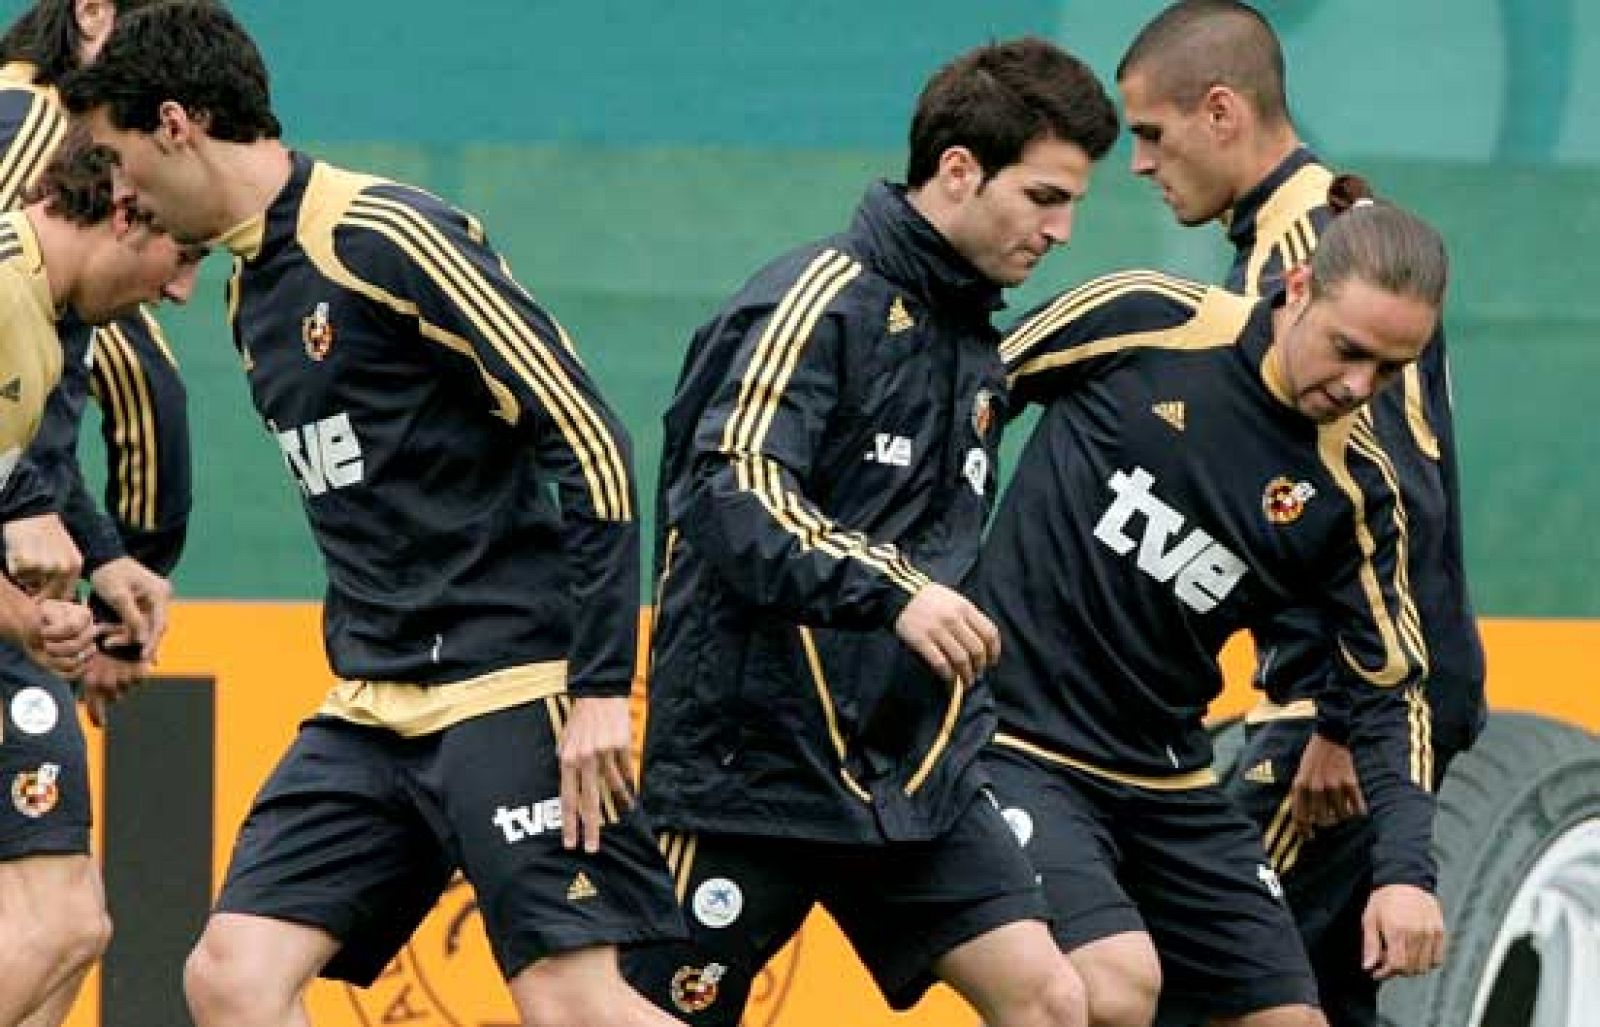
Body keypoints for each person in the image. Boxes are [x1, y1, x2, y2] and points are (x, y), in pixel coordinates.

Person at [64, 5, 688, 1025]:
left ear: (176, 123)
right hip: (372, 707)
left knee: (575, 1006)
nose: (119, 191)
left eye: (120, 157)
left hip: (511, 681)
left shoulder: (383, 232)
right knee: (231, 977)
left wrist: (603, 686)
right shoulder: (246, 294)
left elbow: (586, 436)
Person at [620, 36, 1118, 1027]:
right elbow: (731, 490)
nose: (1061, 230)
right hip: (747, 772)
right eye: (1043, 196)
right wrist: (899, 592)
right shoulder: (815, 299)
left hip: (912, 779)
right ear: (959, 170)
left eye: (1071, 204)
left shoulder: (977, 340)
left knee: (1059, 1002)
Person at [976, 192, 1449, 1027]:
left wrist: (1407, 873)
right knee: (1112, 988)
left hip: (1167, 773)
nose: (1356, 385)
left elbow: (1392, 690)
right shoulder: (1147, 317)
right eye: (1348, 350)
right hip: (1012, 738)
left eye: (1389, 369)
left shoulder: (1360, 485)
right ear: (1298, 286)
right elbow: (974, 390)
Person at [1114, 4, 1485, 1023]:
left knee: (1190, 986)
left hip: (1348, 714)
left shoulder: (1317, 245)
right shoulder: (1301, 232)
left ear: (1221, 111)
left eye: (1151, 133)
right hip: (1346, 699)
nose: (1141, 164)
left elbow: (1394, 494)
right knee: (1306, 992)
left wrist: (1336, 718)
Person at [0, 130, 200, 1027]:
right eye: (181, 253)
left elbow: (26, 478)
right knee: (58, 922)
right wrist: (21, 616)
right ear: (123, 213)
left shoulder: (38, 309)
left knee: (72, 925)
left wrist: (105, 556)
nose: (181, 287)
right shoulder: (7, 300)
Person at [0, 0, 195, 718]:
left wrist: (106, 555)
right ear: (93, 15)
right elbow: (147, 387)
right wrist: (25, 509)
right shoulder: (40, 123)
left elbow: (30, 406)